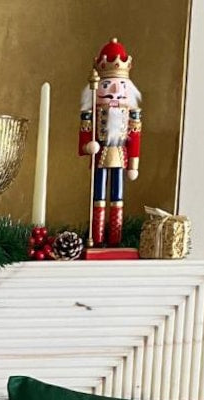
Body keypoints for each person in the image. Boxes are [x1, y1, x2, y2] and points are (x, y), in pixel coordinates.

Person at [79, 38, 142, 246]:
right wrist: (88, 146)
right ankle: (96, 237)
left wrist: (133, 165)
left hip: (120, 156)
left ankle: (115, 238)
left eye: (120, 85)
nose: (114, 91)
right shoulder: (92, 113)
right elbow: (85, 135)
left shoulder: (131, 114)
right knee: (98, 196)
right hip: (100, 155)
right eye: (106, 85)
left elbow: (135, 139)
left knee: (117, 196)